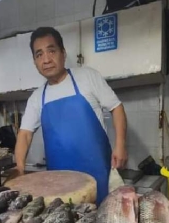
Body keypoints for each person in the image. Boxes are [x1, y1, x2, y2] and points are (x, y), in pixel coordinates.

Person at [13, 27, 128, 204]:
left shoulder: (87, 77)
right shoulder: (37, 98)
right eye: (39, 55)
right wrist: (20, 169)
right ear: (35, 62)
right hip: (60, 186)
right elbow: (25, 134)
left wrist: (120, 145)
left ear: (63, 53)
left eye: (51, 51)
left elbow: (116, 107)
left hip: (98, 176)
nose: (46, 60)